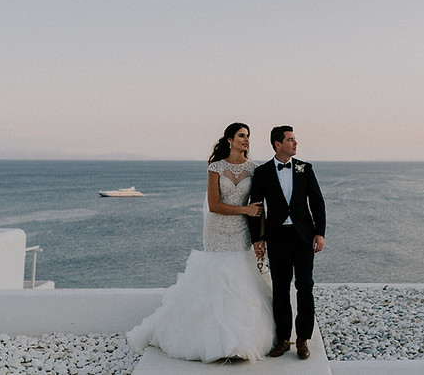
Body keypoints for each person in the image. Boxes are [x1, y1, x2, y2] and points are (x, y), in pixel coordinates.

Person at [127, 123, 275, 363]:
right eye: (241, 135)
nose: (246, 140)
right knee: (217, 278)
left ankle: (240, 340)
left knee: (240, 279)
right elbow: (214, 205)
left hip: (241, 231)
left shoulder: (254, 169)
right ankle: (214, 340)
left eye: (248, 136)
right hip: (216, 230)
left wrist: (260, 237)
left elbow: (259, 208)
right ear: (229, 139)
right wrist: (244, 209)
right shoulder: (215, 168)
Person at [248, 125, 326, 360]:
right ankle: (283, 339)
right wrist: (257, 239)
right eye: (290, 140)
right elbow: (256, 207)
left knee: (305, 286)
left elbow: (317, 202)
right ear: (277, 144)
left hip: (303, 237)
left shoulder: (305, 168)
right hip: (278, 237)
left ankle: (303, 339)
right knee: (280, 289)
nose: (295, 143)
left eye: (295, 139)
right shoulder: (263, 172)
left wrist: (319, 233)